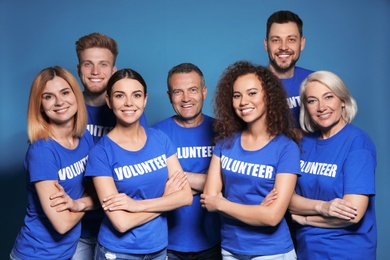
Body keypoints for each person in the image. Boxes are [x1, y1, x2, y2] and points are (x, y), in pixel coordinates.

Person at [85, 68, 193, 260]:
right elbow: (121, 223)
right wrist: (166, 200)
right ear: (109, 101)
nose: (129, 103)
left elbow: (185, 197)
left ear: (145, 99)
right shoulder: (100, 153)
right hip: (119, 252)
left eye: (136, 95)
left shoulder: (160, 139)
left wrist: (135, 205)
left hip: (158, 249)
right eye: (120, 95)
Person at [200, 61, 300, 259]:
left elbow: (272, 217)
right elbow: (209, 200)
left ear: (268, 96)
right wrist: (256, 212)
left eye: (252, 93)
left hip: (272, 251)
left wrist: (222, 204)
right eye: (237, 95)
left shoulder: (287, 149)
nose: (243, 101)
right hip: (230, 249)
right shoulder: (224, 143)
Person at [74, 32, 148, 259]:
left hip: (122, 228)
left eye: (103, 65)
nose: (96, 72)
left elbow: (140, 172)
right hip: (77, 229)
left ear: (113, 71)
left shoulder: (129, 111)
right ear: (79, 69)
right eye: (88, 64)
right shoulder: (65, 110)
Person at [289, 71, 377, 259]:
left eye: (328, 97)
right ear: (306, 107)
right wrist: (323, 207)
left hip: (347, 251)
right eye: (312, 100)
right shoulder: (305, 144)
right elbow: (289, 200)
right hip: (307, 250)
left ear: (343, 100)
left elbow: (352, 214)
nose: (322, 107)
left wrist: (304, 218)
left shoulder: (358, 143)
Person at [10, 66, 96, 260]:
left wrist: (77, 203)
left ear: (76, 95)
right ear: (40, 105)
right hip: (36, 254)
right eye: (48, 96)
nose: (59, 102)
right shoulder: (42, 151)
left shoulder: (85, 137)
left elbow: (102, 193)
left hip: (69, 251)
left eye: (65, 92)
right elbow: (62, 223)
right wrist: (89, 199)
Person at [153, 63, 221, 259]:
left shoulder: (222, 131)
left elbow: (229, 183)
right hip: (168, 243)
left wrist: (178, 183)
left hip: (213, 241)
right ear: (169, 96)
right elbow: (155, 186)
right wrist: (208, 182)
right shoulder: (155, 134)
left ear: (204, 92)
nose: (186, 98)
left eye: (192, 90)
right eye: (178, 92)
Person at [264, 10, 314, 137]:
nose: (284, 47)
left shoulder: (316, 82)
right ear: (266, 45)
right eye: (276, 40)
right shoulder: (252, 85)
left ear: (302, 43)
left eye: (291, 39)